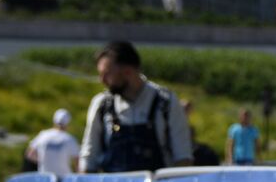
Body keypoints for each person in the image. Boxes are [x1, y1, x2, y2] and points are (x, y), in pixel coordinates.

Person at [79, 41, 192, 173]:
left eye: (107, 74)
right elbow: (89, 158)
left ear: (128, 71)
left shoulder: (166, 102)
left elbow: (183, 158)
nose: (102, 80)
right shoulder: (102, 105)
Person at [26, 108, 80, 175]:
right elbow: (77, 162)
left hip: (45, 177)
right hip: (64, 178)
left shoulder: (43, 135)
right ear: (68, 123)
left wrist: (43, 161)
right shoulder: (69, 139)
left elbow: (30, 154)